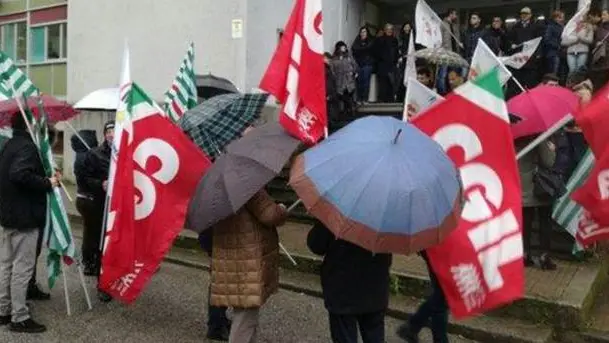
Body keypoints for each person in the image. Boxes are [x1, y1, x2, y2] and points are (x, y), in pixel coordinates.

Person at [0, 114, 59, 333]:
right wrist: (47, 182)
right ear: (29, 125)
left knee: (6, 265)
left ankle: (3, 311)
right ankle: (19, 317)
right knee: (22, 268)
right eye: (36, 123)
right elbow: (19, 174)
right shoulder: (27, 147)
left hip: (8, 216)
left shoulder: (8, 145)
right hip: (24, 218)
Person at [209, 187, 288, 343]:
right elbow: (269, 215)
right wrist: (282, 209)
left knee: (244, 311)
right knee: (245, 318)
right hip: (248, 258)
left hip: (228, 256)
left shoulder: (217, 191)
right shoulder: (249, 187)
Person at [307, 220, 391, 343]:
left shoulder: (337, 212)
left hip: (342, 290)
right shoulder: (386, 218)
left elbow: (316, 245)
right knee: (375, 335)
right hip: (375, 289)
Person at [81, 120, 114, 302]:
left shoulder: (126, 153)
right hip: (102, 207)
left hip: (121, 208)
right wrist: (100, 184)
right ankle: (102, 284)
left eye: (115, 130)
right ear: (104, 134)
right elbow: (85, 178)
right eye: (109, 131)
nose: (112, 134)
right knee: (102, 246)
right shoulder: (94, 154)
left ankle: (114, 278)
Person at [516, 134, 557, 270]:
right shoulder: (540, 137)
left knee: (526, 223)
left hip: (523, 186)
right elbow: (548, 161)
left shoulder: (515, 137)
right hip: (540, 187)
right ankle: (544, 256)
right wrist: (551, 148)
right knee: (544, 222)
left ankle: (524, 254)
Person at [397, 251, 449, 343]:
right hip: (438, 248)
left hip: (440, 247)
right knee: (442, 296)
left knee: (442, 295)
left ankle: (412, 326)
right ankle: (412, 327)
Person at [72, 130, 99, 275]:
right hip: (90, 199)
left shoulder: (79, 155)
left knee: (89, 231)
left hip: (81, 198)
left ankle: (88, 261)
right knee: (93, 233)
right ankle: (91, 262)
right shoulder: (88, 157)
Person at [507, 7, 544, 90]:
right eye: (522, 14)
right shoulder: (515, 27)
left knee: (530, 82)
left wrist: (538, 54)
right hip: (518, 58)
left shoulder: (536, 26)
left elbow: (539, 40)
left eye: (526, 14)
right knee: (518, 83)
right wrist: (512, 44)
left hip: (530, 58)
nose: (524, 15)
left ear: (530, 15)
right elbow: (509, 39)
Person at [331, 41, 359, 117]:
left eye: (345, 46)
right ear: (338, 48)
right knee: (343, 97)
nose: (344, 48)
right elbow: (332, 70)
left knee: (349, 95)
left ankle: (351, 110)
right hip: (339, 81)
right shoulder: (334, 58)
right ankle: (349, 110)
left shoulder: (349, 56)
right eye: (343, 47)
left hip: (349, 80)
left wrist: (354, 72)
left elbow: (355, 65)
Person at [374, 23, 399, 102]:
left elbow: (396, 52)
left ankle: (390, 99)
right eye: (388, 29)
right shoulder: (379, 39)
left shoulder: (395, 40)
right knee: (382, 83)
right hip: (382, 64)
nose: (389, 31)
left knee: (391, 82)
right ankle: (381, 99)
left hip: (392, 64)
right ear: (384, 30)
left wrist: (396, 60)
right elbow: (376, 52)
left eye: (391, 29)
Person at [437, 9, 460, 94]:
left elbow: (457, 38)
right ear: (450, 14)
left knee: (453, 74)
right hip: (445, 52)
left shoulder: (455, 25)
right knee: (443, 74)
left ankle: (452, 92)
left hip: (455, 53)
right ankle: (442, 92)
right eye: (455, 14)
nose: (456, 16)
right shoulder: (443, 24)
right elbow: (439, 38)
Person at [352, 26, 376, 104]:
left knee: (366, 82)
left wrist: (361, 51)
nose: (363, 33)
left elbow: (370, 50)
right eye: (361, 32)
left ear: (367, 33)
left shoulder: (371, 41)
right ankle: (359, 99)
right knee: (359, 82)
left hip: (367, 64)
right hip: (359, 64)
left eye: (364, 32)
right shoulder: (357, 41)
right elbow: (354, 50)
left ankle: (365, 99)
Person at [590, 9, 609, 90]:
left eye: (604, 15)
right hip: (599, 58)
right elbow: (593, 40)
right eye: (602, 15)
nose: (602, 17)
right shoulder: (598, 27)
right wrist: (596, 43)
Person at [543, 10, 565, 75]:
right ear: (555, 18)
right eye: (560, 17)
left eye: (563, 17)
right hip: (553, 53)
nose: (562, 19)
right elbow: (547, 39)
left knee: (560, 72)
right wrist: (557, 46)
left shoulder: (562, 27)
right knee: (554, 72)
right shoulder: (551, 27)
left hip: (561, 53)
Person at [325, 52, 341, 134]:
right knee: (328, 112)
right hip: (328, 94)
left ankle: (330, 125)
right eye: (328, 59)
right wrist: (328, 95)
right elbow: (326, 84)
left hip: (330, 94)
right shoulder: (324, 69)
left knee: (330, 110)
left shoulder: (328, 68)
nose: (330, 61)